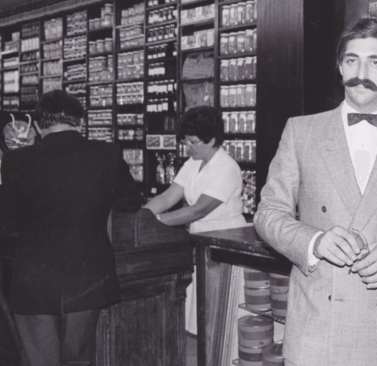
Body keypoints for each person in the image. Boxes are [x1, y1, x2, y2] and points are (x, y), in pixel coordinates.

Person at [254, 18, 377, 366]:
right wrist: (314, 241)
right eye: (352, 60)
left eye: (375, 61)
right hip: (318, 324)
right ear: (339, 65)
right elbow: (267, 214)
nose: (361, 72)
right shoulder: (301, 132)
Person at [0, 90, 143, 366]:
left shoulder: (18, 160)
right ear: (81, 123)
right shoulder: (107, 153)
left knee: (41, 362)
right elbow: (131, 202)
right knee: (78, 360)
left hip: (34, 282)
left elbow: (5, 222)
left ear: (39, 126)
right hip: (88, 279)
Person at [144, 106, 246, 334]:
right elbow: (169, 196)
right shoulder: (192, 164)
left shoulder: (227, 168)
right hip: (200, 239)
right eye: (185, 142)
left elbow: (197, 210)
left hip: (225, 240)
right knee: (201, 311)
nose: (187, 147)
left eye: (193, 142)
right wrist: (142, 216)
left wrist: (154, 222)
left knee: (220, 314)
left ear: (211, 141)